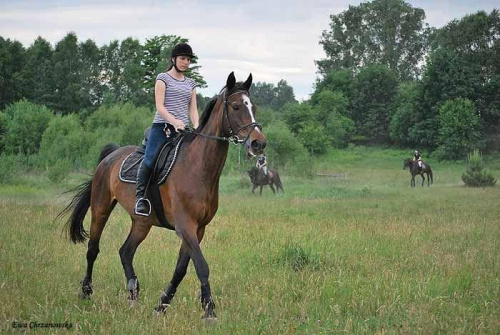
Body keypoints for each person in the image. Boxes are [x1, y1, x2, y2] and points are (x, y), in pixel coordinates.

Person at [134, 42, 199, 216]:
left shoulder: (191, 83)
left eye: (188, 59)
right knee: (150, 160)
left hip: (183, 130)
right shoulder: (163, 78)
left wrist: (197, 126)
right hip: (162, 127)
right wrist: (174, 121)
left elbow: (193, 109)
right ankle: (140, 198)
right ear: (174, 59)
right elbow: (160, 107)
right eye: (183, 58)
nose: (186, 62)